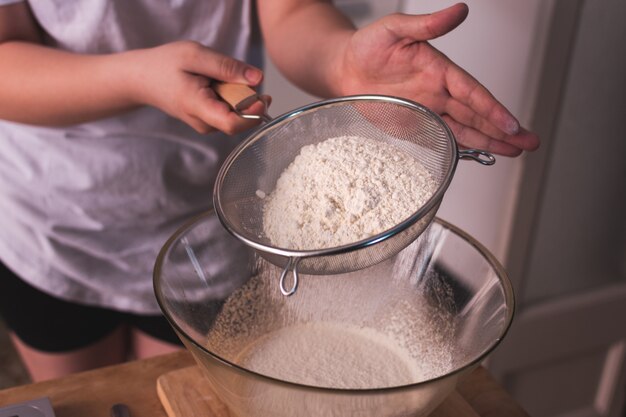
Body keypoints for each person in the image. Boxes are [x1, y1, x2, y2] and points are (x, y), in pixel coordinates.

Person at [0, 0, 539, 382]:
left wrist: (341, 60)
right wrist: (136, 77)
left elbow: (290, 11)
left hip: (208, 230)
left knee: (169, 390)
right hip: (54, 226)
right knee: (84, 397)